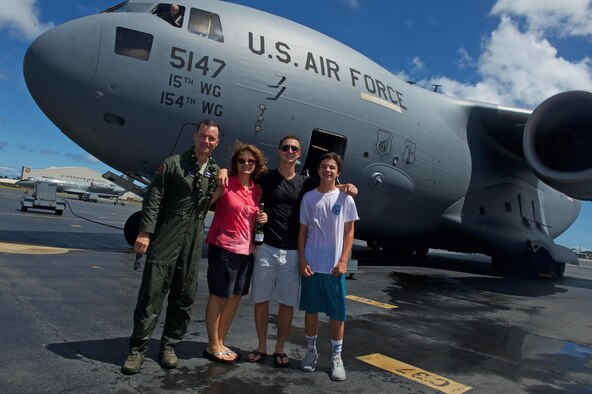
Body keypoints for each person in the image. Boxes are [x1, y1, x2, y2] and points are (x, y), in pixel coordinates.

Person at [217, 136, 356, 368]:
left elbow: (328, 187)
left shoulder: (306, 183)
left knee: (286, 303)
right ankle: (262, 346)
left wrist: (346, 187)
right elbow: (242, 174)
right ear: (280, 151)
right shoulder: (266, 177)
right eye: (285, 148)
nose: (289, 151)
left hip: (292, 252)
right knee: (261, 299)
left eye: (294, 148)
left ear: (299, 154)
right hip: (266, 248)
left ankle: (280, 348)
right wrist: (222, 170)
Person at [121, 119, 221, 375]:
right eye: (203, 136)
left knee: (184, 295)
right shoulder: (173, 164)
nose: (206, 141)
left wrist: (222, 179)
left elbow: (209, 201)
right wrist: (145, 231)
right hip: (167, 234)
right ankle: (137, 350)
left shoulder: (213, 171)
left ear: (216, 143)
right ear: (195, 136)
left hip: (194, 238)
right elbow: (153, 199)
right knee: (152, 295)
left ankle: (169, 346)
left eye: (211, 138)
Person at [203, 142, 268, 364]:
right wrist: (220, 171)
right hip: (223, 247)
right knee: (218, 296)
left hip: (246, 250)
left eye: (251, 161)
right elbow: (205, 203)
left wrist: (262, 218)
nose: (246, 164)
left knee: (235, 298)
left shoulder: (256, 190)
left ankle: (220, 341)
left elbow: (253, 217)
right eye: (242, 160)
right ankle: (212, 346)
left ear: (256, 164)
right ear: (235, 163)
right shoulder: (225, 183)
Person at [298, 152, 359, 382]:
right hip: (312, 265)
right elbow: (303, 232)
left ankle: (336, 357)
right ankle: (311, 351)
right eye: (324, 166)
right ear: (318, 170)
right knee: (311, 311)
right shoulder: (309, 198)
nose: (328, 170)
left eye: (332, 167)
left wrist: (343, 260)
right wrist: (303, 260)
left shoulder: (346, 199)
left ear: (338, 172)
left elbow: (349, 232)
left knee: (337, 314)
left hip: (334, 267)